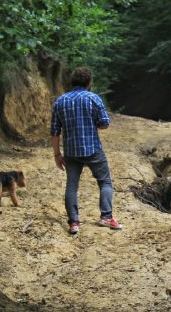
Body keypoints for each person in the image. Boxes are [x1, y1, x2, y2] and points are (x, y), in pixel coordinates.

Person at [50, 66, 123, 234]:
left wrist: (57, 154)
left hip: (71, 152)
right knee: (105, 182)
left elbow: (54, 132)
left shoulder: (60, 101)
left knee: (72, 186)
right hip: (93, 150)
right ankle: (106, 217)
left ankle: (74, 223)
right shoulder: (93, 98)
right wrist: (93, 123)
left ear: (72, 81)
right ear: (89, 82)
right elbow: (105, 123)